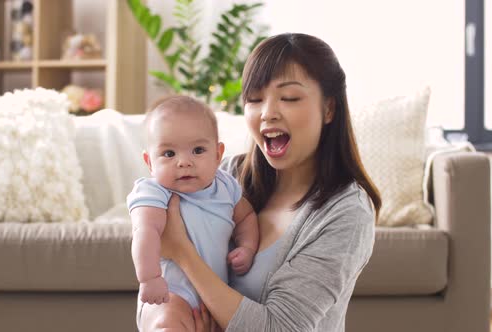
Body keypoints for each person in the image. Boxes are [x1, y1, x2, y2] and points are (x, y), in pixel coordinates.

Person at [142, 33, 382, 332]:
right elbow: (157, 291)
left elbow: (280, 328)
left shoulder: (346, 213)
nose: (267, 113)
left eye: (289, 98)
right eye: (254, 99)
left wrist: (183, 252)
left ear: (329, 108)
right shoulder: (225, 175)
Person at [127, 95, 260, 331]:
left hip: (214, 292)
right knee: (169, 323)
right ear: (149, 162)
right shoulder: (154, 192)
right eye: (169, 154)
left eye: (198, 150)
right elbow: (145, 232)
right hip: (170, 291)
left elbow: (246, 218)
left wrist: (247, 247)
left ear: (218, 155)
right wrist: (149, 278)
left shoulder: (226, 186)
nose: (184, 162)